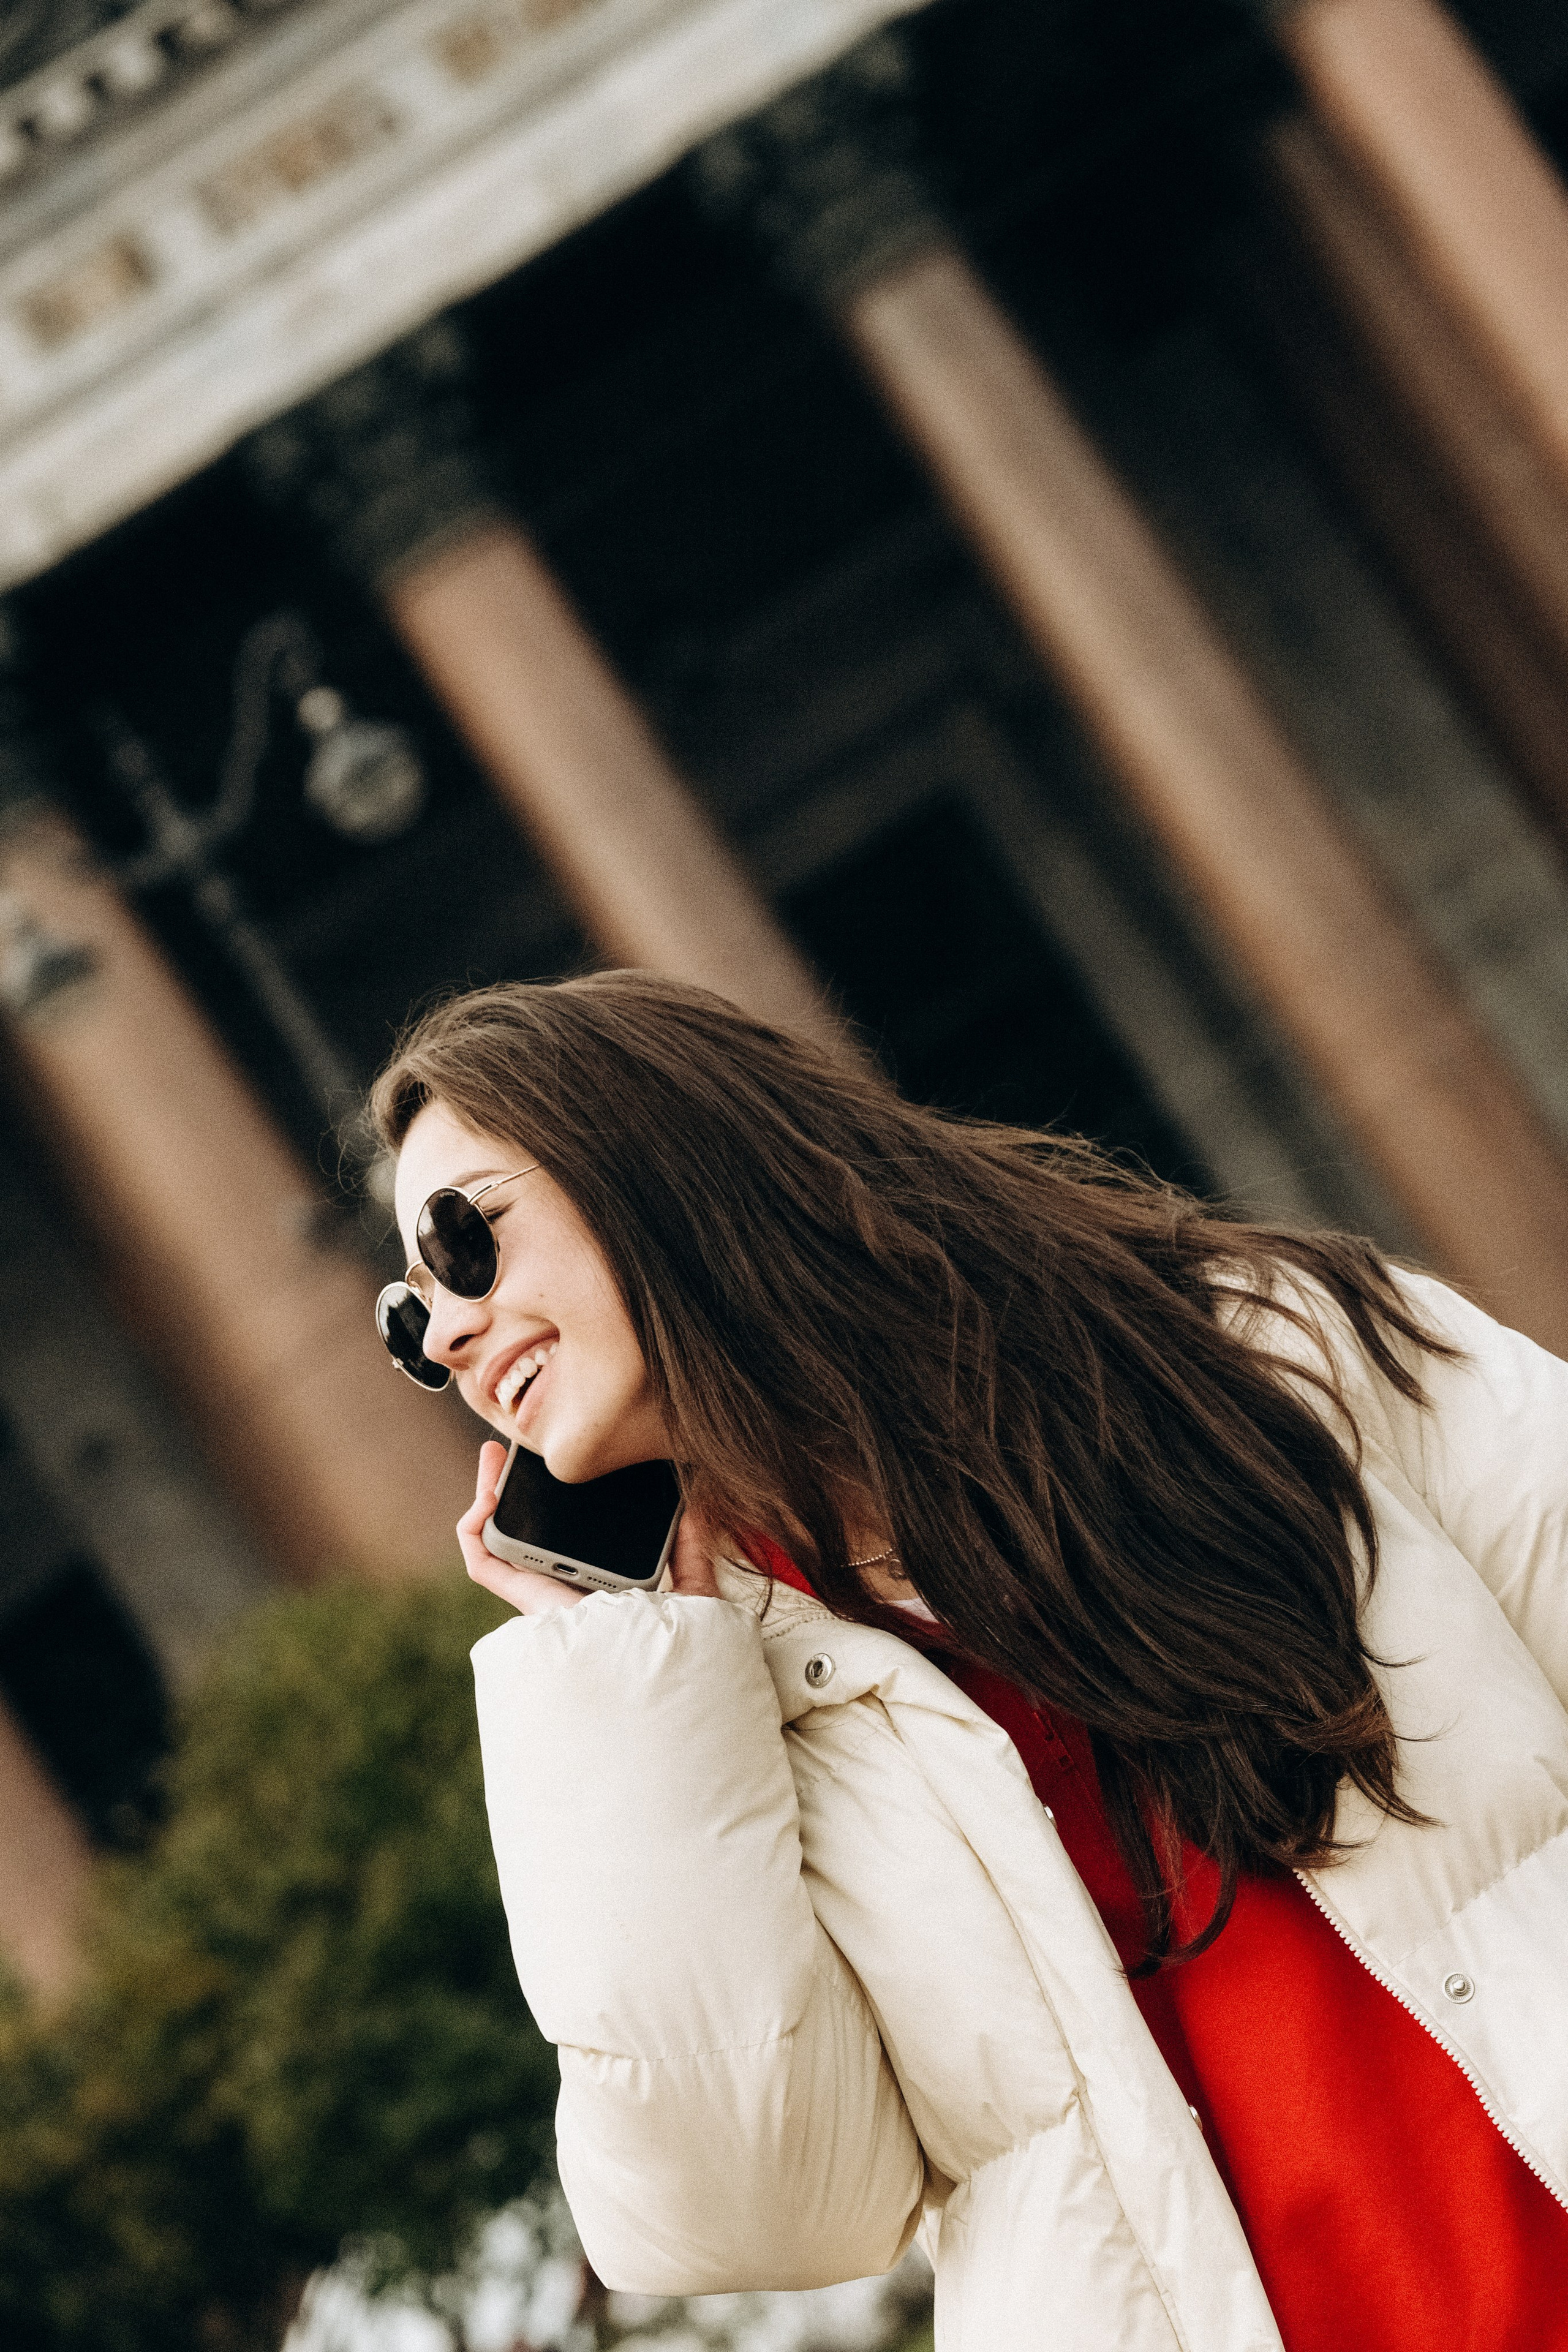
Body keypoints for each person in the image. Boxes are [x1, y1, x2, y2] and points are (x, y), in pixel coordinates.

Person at [369, 970, 1568, 2352]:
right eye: (410, 1320)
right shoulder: (711, 1699)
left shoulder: (1262, 1354)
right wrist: (622, 1692)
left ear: (657, 1158)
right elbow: (750, 2212)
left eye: (465, 1246)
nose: (449, 1331)